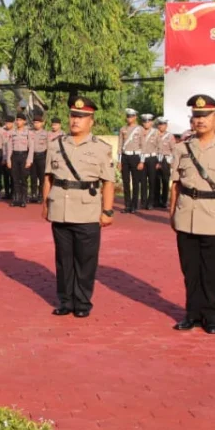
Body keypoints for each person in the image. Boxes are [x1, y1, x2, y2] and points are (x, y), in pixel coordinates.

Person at [169, 94, 215, 334]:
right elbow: (176, 185)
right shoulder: (181, 148)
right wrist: (172, 213)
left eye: (205, 116)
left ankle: (210, 316)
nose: (200, 120)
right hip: (186, 214)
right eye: (196, 116)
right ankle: (191, 314)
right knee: (189, 270)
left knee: (211, 271)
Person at [42, 95, 115, 318]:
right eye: (74, 116)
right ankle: (65, 300)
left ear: (91, 121)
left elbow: (108, 182)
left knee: (85, 260)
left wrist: (107, 211)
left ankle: (82, 302)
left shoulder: (101, 148)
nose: (76, 120)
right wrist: (46, 204)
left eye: (82, 117)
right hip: (60, 207)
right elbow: (48, 177)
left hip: (87, 209)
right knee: (63, 259)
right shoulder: (56, 145)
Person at [117, 109, 145, 213]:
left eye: (131, 116)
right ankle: (127, 205)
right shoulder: (122, 129)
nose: (129, 118)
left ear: (135, 117)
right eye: (128, 116)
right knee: (126, 182)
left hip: (135, 156)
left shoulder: (139, 129)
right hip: (125, 157)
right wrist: (119, 161)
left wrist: (142, 161)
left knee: (136, 181)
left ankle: (134, 205)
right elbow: (120, 145)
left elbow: (143, 145)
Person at [6, 113, 34, 207]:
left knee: (24, 178)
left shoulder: (28, 133)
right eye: (17, 120)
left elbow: (31, 147)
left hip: (24, 156)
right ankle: (16, 198)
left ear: (24, 121)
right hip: (15, 156)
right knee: (15, 178)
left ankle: (23, 199)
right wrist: (8, 160)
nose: (18, 122)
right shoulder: (12, 133)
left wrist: (29, 160)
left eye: (20, 120)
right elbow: (9, 147)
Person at [138, 113, 159, 210]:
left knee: (152, 180)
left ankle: (151, 201)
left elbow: (159, 147)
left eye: (148, 121)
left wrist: (158, 161)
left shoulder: (156, 132)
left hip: (152, 158)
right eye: (144, 121)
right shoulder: (139, 132)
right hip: (142, 158)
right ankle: (143, 201)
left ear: (151, 122)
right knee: (142, 180)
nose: (146, 123)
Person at [153, 118, 175, 208]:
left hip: (165, 160)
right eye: (159, 124)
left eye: (163, 124)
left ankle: (164, 201)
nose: (161, 126)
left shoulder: (170, 136)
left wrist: (173, 162)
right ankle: (156, 200)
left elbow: (173, 149)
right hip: (156, 159)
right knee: (156, 180)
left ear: (166, 126)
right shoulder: (154, 135)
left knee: (165, 181)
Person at [29, 114, 49, 204]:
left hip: (42, 156)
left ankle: (41, 195)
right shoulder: (30, 132)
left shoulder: (46, 133)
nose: (36, 124)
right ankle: (33, 194)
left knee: (42, 177)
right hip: (32, 156)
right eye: (35, 122)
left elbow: (48, 147)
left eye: (38, 122)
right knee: (33, 176)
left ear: (42, 123)